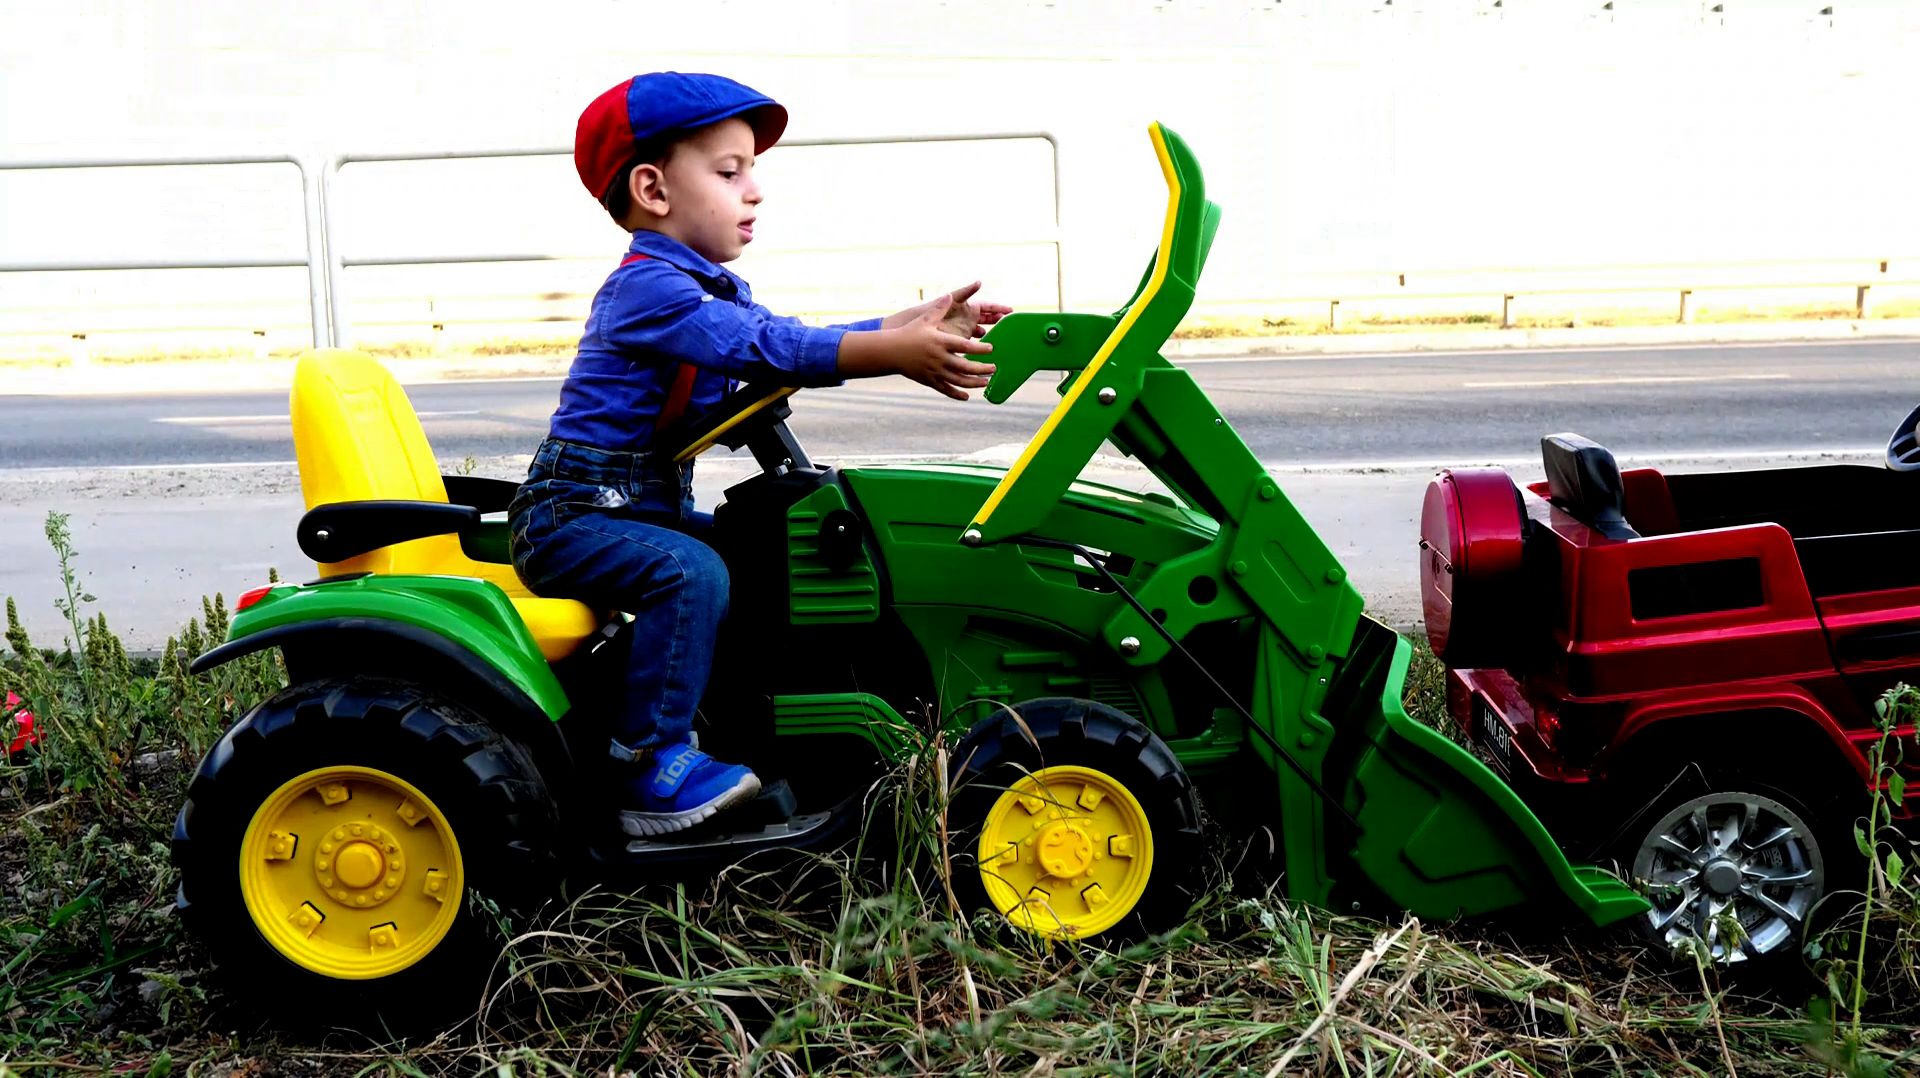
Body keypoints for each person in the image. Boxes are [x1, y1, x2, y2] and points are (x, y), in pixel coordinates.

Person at [510, 72, 1009, 837]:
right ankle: (644, 767)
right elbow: (771, 347)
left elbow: (780, 340)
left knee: (758, 556)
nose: (756, 191)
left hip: (638, 504)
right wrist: (891, 351)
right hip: (573, 515)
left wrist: (914, 322)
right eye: (729, 171)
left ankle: (736, 725)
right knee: (692, 570)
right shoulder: (647, 293)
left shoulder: (705, 290)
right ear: (653, 188)